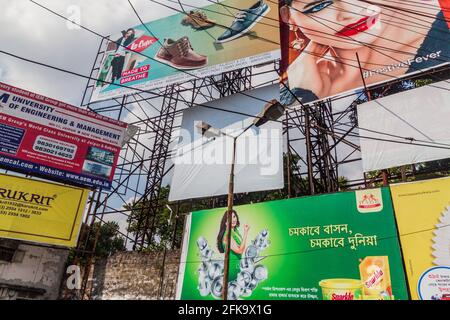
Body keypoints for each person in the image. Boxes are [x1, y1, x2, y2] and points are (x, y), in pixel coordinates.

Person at [280, 0, 450, 104]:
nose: (350, 11)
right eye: (320, 5)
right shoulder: (297, 83)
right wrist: (302, 96)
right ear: (289, 17)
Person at [217, 210, 250, 281]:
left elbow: (240, 246)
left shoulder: (235, 231)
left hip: (237, 266)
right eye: (230, 218)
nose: (233, 220)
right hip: (231, 268)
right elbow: (240, 250)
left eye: (234, 216)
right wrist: (246, 232)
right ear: (226, 222)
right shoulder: (227, 235)